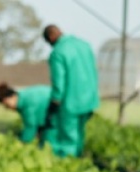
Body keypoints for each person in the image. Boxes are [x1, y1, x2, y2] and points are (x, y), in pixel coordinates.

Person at [43, 24, 100, 157]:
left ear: (51, 37)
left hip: (71, 101)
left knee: (68, 138)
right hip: (89, 99)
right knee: (79, 135)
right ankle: (78, 162)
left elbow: (59, 82)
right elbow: (93, 71)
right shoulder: (84, 45)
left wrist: (54, 101)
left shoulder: (58, 52)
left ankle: (68, 168)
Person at [0, 82, 57, 149]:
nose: (7, 108)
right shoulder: (23, 96)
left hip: (57, 118)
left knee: (48, 146)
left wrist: (21, 144)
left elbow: (30, 126)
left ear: (6, 99)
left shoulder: (27, 103)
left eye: (6, 105)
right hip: (52, 118)